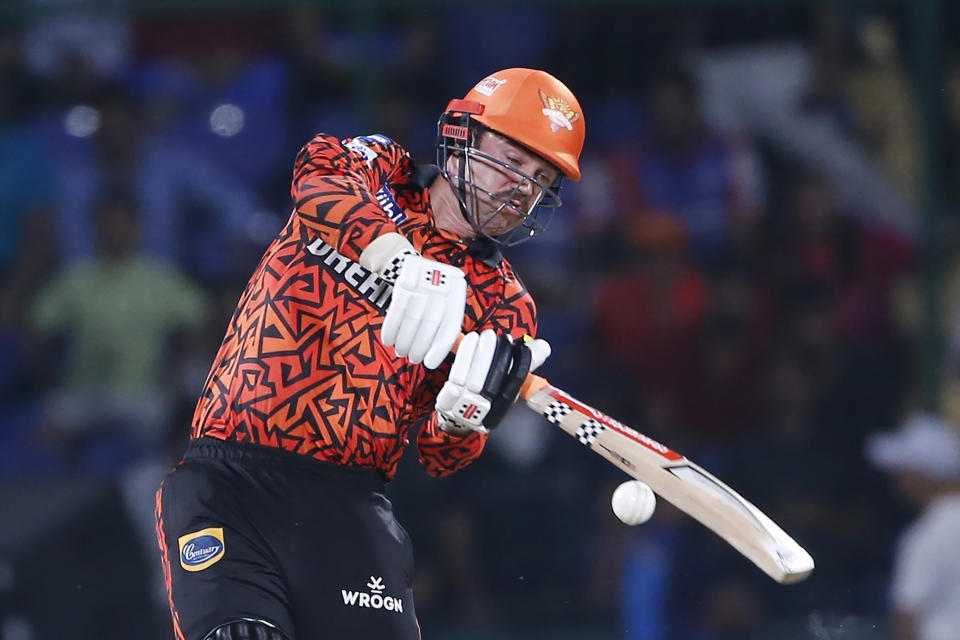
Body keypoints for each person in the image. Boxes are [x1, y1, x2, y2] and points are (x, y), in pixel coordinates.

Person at [155, 68, 586, 640]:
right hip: (230, 479)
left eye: (540, 178)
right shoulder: (379, 168)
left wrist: (462, 417)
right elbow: (316, 180)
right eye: (511, 158)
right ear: (463, 137)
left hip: (350, 505)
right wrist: (401, 262)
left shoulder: (506, 307)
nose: (519, 188)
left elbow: (440, 457)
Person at [866, 413, 960, 640]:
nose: (897, 480)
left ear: (924, 474)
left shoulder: (926, 534)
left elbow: (907, 614)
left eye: (904, 471)